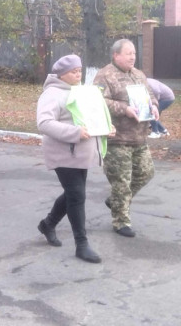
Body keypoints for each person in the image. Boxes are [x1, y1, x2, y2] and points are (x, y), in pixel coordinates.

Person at [36, 55, 107, 263]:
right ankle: (81, 244)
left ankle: (48, 224)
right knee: (77, 196)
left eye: (79, 71)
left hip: (80, 154)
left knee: (72, 194)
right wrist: (75, 133)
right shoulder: (52, 94)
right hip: (63, 154)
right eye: (73, 72)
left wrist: (104, 128)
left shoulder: (80, 92)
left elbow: (89, 118)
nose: (78, 75)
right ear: (61, 74)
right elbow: (44, 123)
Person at [94, 39, 159, 238]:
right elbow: (98, 101)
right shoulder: (104, 75)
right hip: (117, 138)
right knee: (122, 181)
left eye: (134, 53)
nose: (132, 57)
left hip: (139, 137)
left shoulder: (138, 74)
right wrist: (124, 109)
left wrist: (154, 105)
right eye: (128, 53)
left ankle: (114, 199)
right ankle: (121, 221)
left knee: (146, 173)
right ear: (116, 55)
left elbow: (150, 95)